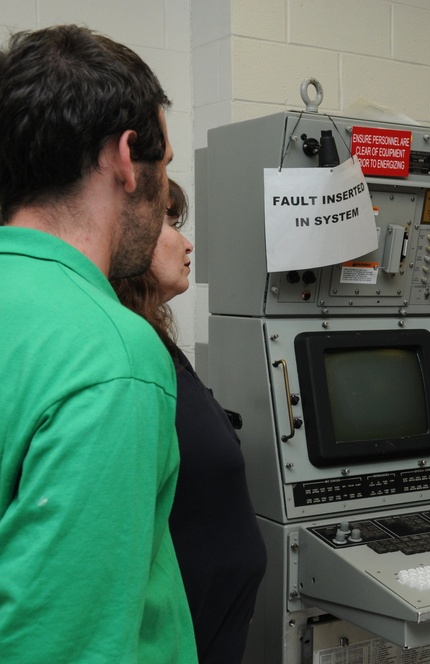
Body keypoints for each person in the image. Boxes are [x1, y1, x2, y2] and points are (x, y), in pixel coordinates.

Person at [0, 25, 197, 663]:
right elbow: (67, 643)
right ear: (123, 156)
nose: (165, 195)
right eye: (162, 170)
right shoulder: (114, 356)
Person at [112, 180, 268, 663]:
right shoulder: (124, 354)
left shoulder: (155, 341)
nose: (186, 242)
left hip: (211, 626)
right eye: (171, 224)